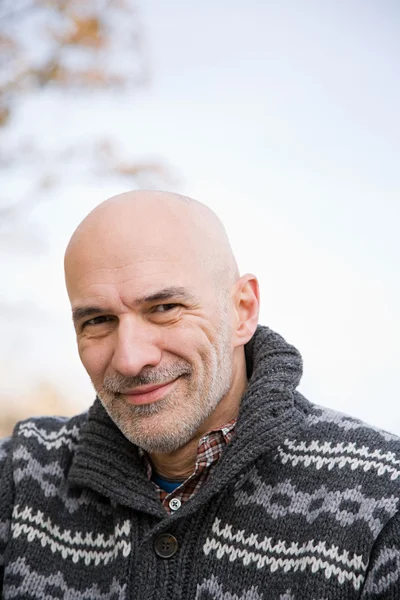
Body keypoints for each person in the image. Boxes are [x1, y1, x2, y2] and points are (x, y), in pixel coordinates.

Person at [0, 190, 399, 600]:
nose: (130, 359)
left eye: (164, 307)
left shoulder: (384, 497)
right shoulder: (20, 477)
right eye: (98, 320)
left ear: (243, 310)